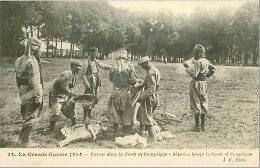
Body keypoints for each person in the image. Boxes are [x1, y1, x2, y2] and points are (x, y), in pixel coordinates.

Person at [15, 37, 43, 147]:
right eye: (38, 48)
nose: (39, 51)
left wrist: (21, 90)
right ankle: (25, 141)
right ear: (34, 48)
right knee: (31, 115)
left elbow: (17, 78)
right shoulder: (32, 62)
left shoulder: (18, 60)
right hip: (32, 90)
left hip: (22, 89)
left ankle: (21, 138)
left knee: (25, 113)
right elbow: (34, 81)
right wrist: (38, 97)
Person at [183, 44, 216, 132]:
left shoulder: (198, 62)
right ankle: (203, 126)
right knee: (204, 102)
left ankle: (197, 127)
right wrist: (206, 76)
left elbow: (194, 74)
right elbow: (213, 69)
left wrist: (187, 67)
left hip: (196, 83)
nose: (194, 53)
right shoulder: (205, 61)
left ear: (198, 53)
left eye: (195, 52)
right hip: (204, 83)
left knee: (195, 102)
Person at [47, 59, 82, 133]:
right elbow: (63, 88)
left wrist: (72, 96)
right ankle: (50, 128)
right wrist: (72, 93)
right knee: (56, 112)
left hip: (65, 95)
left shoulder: (74, 75)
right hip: (56, 95)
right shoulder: (66, 74)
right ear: (73, 66)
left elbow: (71, 87)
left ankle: (75, 125)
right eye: (78, 68)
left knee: (71, 109)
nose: (80, 69)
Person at [108, 49, 137, 137]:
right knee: (126, 113)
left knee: (115, 113)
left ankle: (115, 132)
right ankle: (124, 132)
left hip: (115, 94)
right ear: (125, 58)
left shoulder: (113, 67)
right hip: (125, 94)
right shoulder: (129, 68)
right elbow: (133, 81)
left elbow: (110, 79)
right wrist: (128, 82)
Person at [81, 47, 111, 123]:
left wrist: (112, 67)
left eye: (96, 54)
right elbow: (83, 74)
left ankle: (89, 114)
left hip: (96, 81)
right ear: (90, 53)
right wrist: (87, 84)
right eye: (94, 54)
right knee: (88, 98)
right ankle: (85, 116)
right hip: (90, 82)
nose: (95, 55)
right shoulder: (86, 62)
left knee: (95, 98)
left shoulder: (97, 62)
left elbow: (104, 66)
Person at [136, 56, 160, 141]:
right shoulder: (154, 69)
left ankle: (152, 136)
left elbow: (151, 88)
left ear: (147, 63)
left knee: (147, 115)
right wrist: (141, 86)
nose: (142, 67)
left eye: (143, 65)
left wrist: (141, 97)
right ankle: (142, 130)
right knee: (141, 112)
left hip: (149, 97)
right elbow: (148, 81)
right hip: (154, 95)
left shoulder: (150, 72)